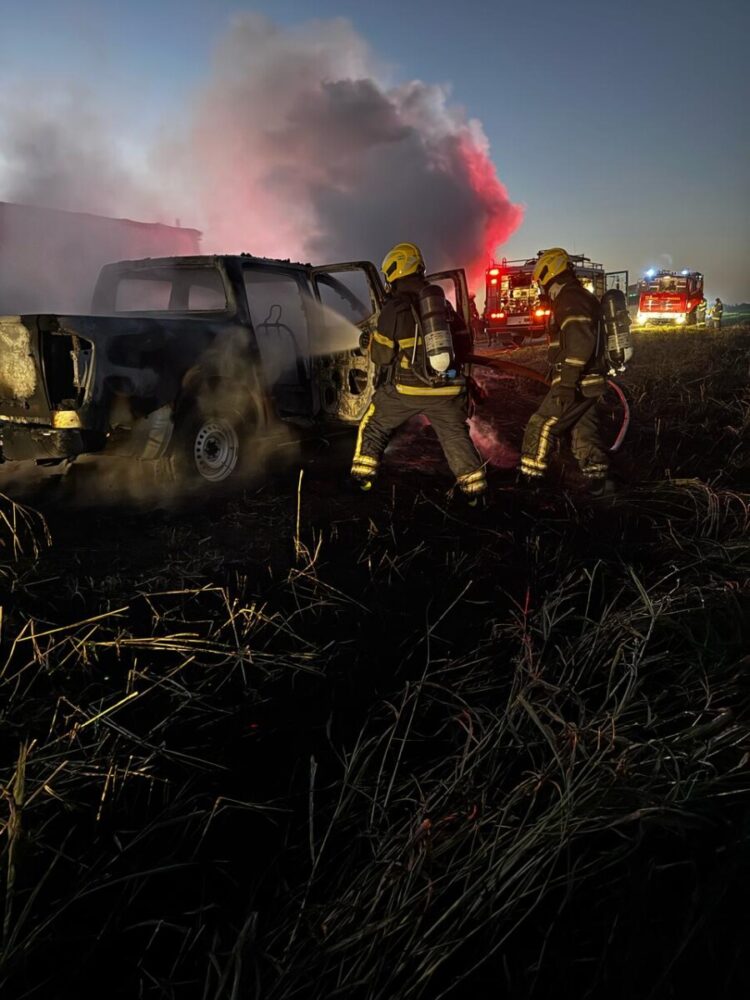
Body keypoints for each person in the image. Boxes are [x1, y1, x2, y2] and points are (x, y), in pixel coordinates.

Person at [351, 242, 487, 503]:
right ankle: (475, 493)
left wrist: (368, 342)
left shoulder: (394, 307)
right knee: (455, 436)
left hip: (407, 390)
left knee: (374, 424)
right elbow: (464, 343)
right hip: (447, 388)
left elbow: (382, 356)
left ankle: (362, 479)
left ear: (394, 271)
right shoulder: (441, 305)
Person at [519, 247, 612, 493]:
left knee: (541, 425)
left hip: (578, 381)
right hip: (589, 381)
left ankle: (531, 483)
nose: (542, 291)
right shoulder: (580, 296)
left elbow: (581, 342)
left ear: (550, 275)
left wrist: (568, 383)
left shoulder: (569, 298)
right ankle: (599, 484)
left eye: (542, 284)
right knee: (584, 433)